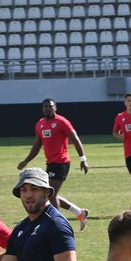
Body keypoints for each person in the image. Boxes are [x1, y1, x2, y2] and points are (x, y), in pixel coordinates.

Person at [17, 98, 91, 230]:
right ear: (42, 109)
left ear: (55, 108)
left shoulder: (62, 122)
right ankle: (80, 213)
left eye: (50, 106)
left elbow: (75, 139)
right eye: (45, 107)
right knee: (50, 193)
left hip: (61, 162)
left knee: (50, 194)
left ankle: (57, 224)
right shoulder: (40, 124)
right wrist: (26, 161)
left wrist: (83, 159)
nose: (48, 109)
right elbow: (37, 145)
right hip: (51, 164)